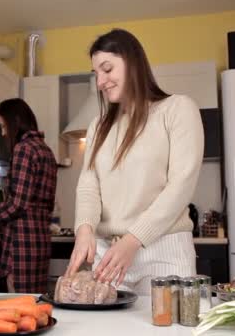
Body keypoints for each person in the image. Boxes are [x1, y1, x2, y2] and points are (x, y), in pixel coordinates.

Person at [64, 28, 204, 295]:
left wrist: (132, 241)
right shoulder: (98, 127)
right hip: (109, 254)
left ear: (133, 63)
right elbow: (88, 185)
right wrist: (84, 230)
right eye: (96, 74)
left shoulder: (177, 109)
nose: (100, 82)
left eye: (107, 69)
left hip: (164, 250)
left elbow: (181, 185)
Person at [0, 98, 58, 293]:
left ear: (15, 122)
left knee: (19, 308)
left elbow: (18, 204)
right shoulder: (47, 152)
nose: (3, 133)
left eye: (3, 126)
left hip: (22, 244)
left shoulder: (23, 149)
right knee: (35, 306)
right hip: (41, 241)